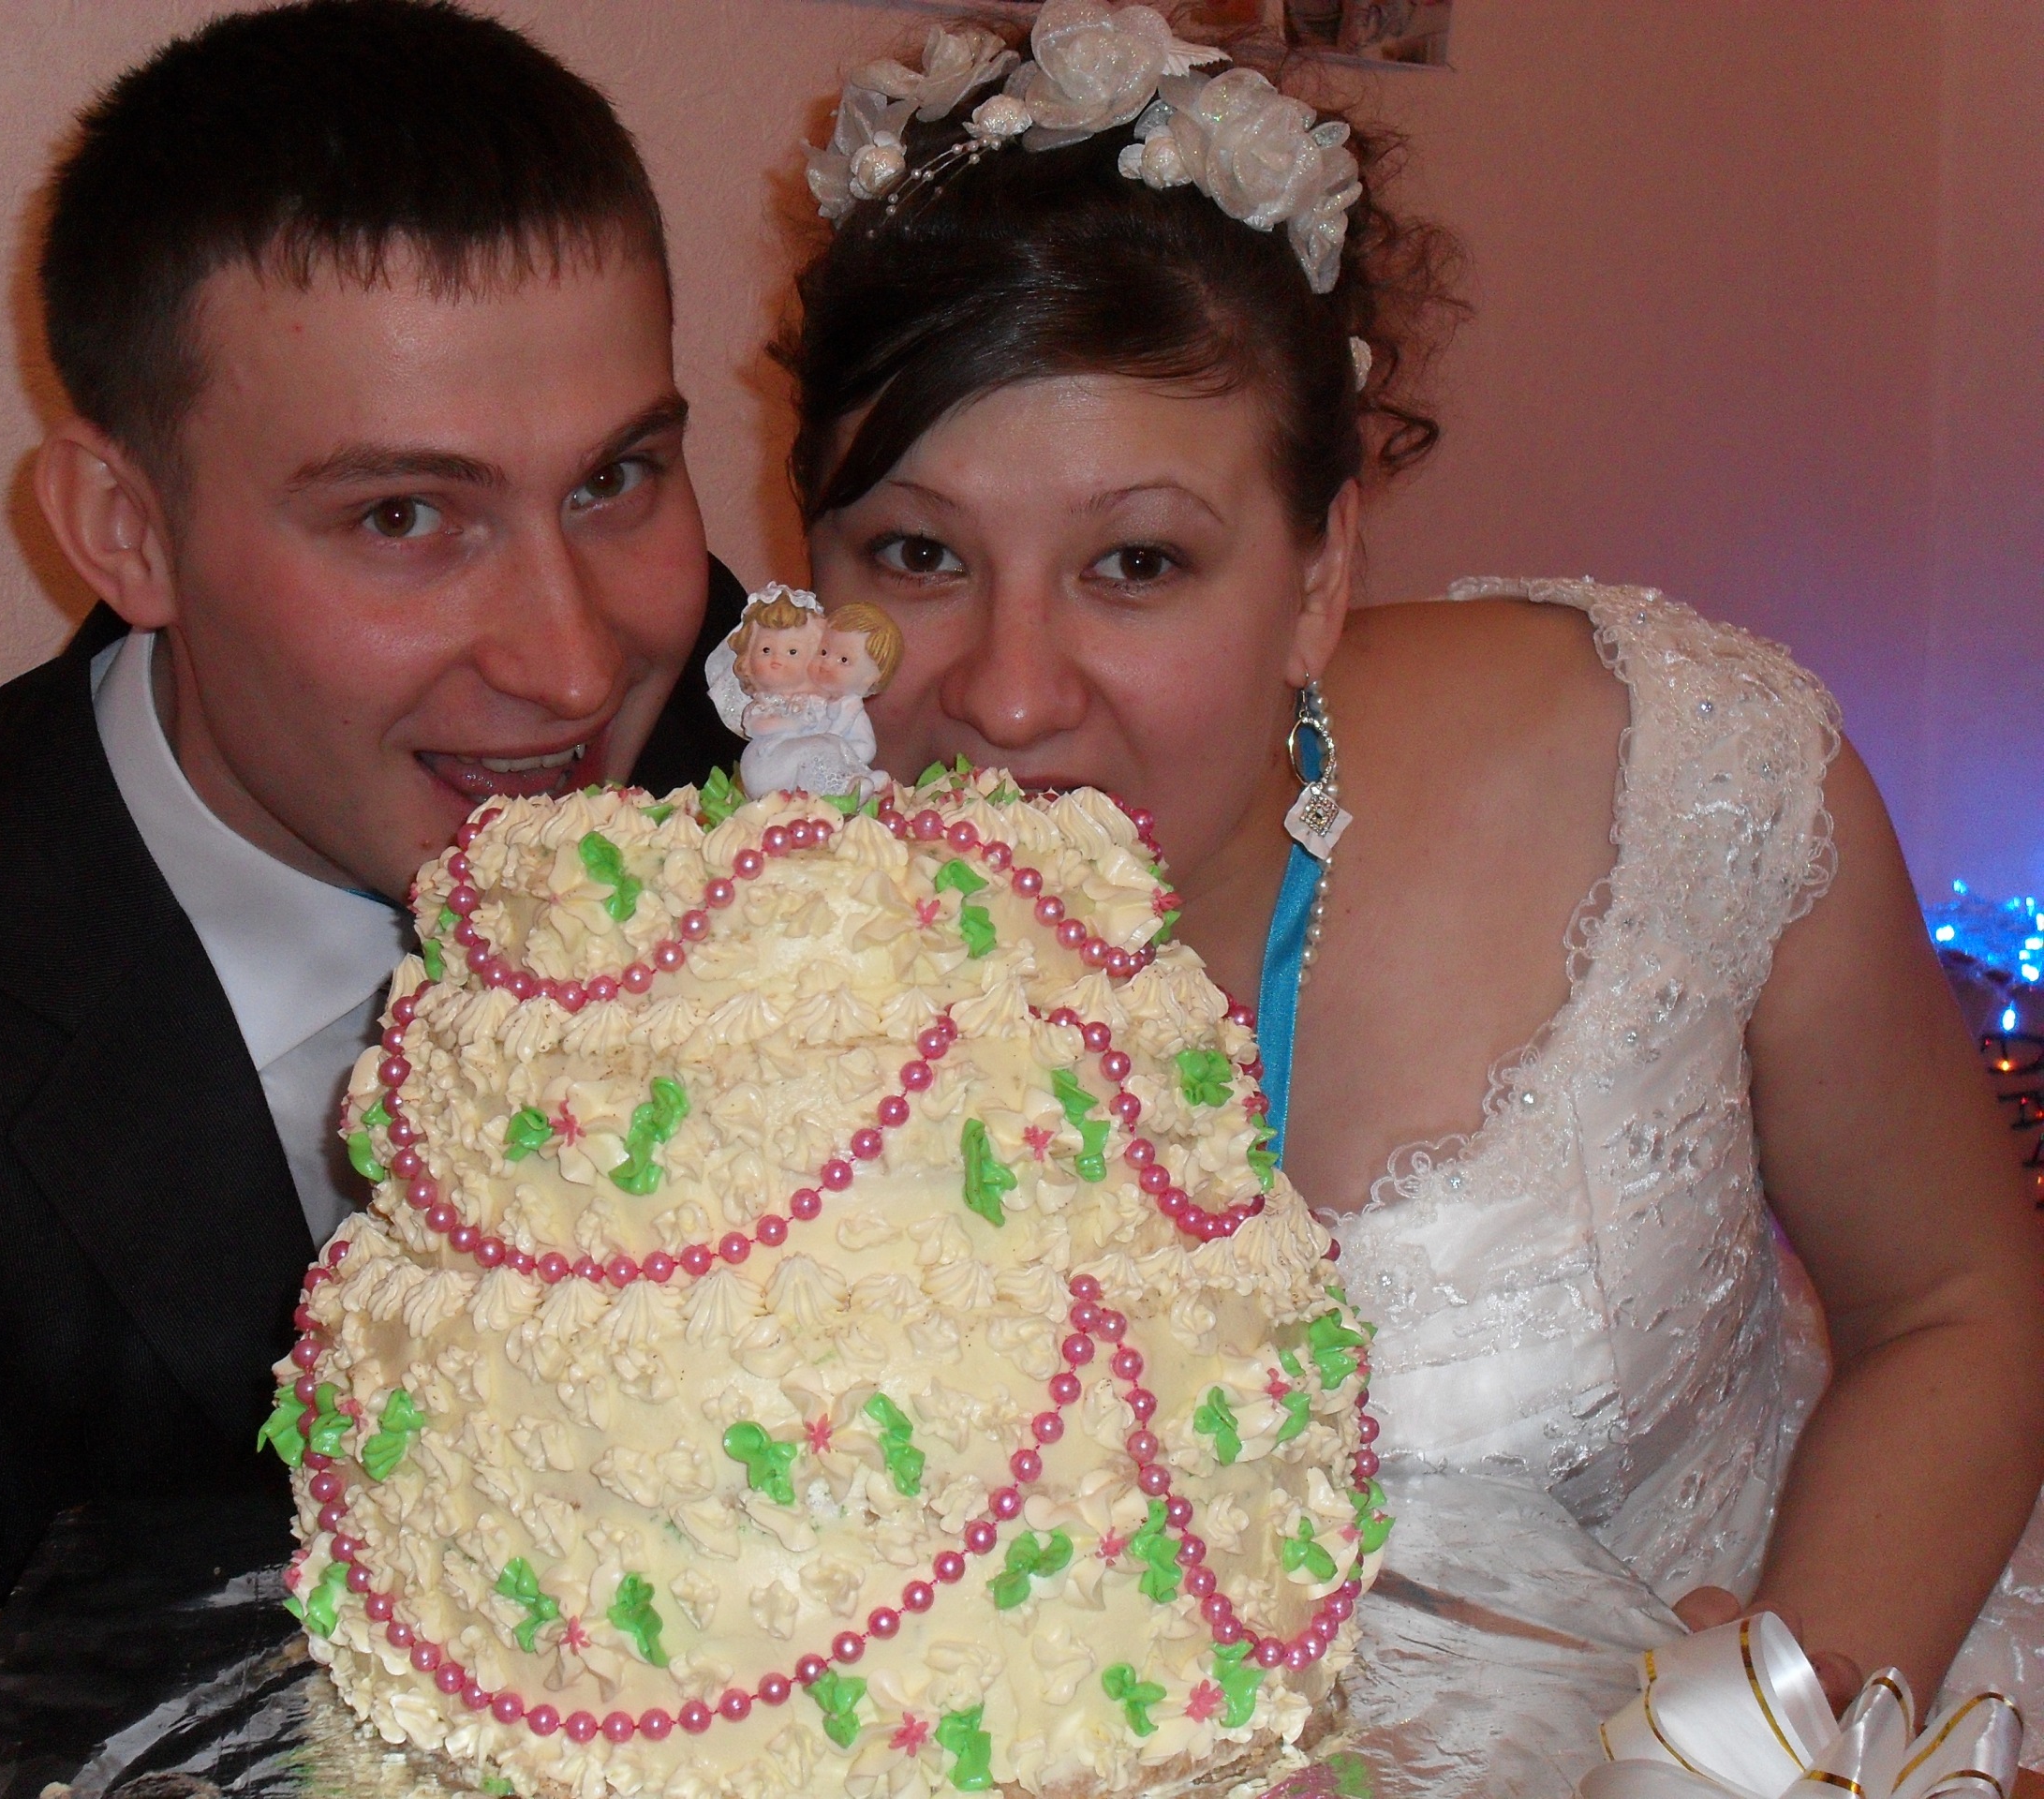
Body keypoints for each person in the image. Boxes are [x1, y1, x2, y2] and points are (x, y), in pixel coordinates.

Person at [780, 4, 2044, 1787]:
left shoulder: (1662, 772)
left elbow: (1956, 1306)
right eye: (917, 553)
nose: (1006, 695)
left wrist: (1769, 1744)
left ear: (1319, 570)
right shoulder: (721, 969)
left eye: (1136, 561)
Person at [0, 0, 747, 1667]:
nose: (576, 664)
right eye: (404, 515)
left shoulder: (784, 757)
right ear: (126, 531)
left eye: (614, 480)